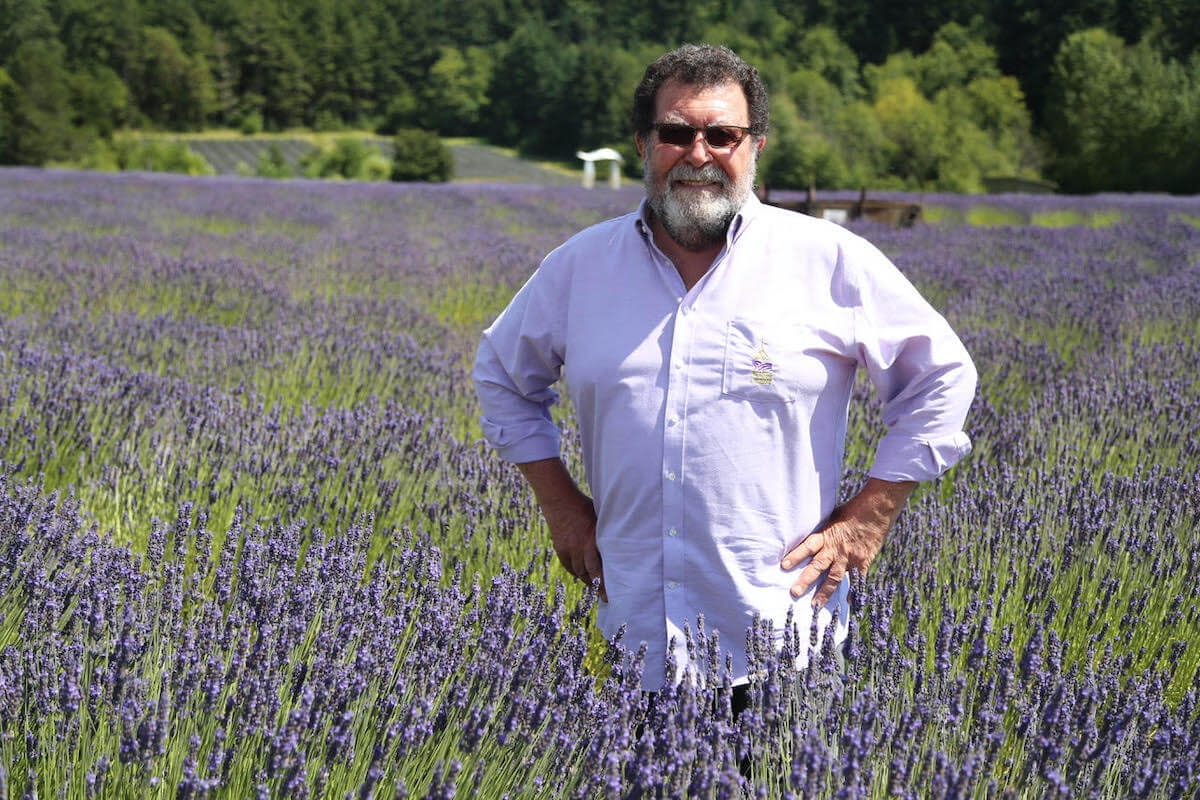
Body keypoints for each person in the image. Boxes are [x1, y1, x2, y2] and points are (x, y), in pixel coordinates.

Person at [472, 44, 977, 693]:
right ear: (643, 144)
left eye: (722, 135)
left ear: (755, 146)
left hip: (782, 647)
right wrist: (560, 507)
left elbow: (942, 375)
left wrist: (871, 515)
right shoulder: (580, 267)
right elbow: (502, 376)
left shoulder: (826, 259)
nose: (698, 153)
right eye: (675, 133)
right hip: (635, 648)